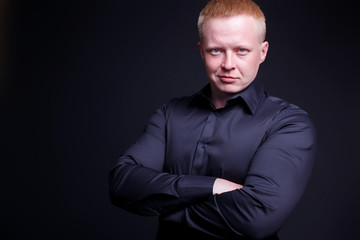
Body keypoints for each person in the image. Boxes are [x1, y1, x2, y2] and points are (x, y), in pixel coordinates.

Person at [109, 0, 316, 239]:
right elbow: (121, 183)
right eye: (216, 50)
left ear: (262, 52)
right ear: (201, 51)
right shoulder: (170, 114)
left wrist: (169, 212)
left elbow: (257, 218)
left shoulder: (288, 123)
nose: (228, 65)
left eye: (241, 50)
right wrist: (213, 185)